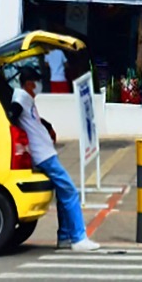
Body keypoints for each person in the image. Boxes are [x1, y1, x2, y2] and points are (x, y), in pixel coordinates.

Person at [13, 68, 99, 251]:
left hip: (45, 154)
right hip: (43, 156)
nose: (39, 86)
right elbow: (14, 113)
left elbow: (32, 119)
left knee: (63, 193)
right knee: (69, 191)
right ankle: (78, 237)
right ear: (29, 84)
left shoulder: (27, 99)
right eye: (37, 82)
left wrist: (47, 125)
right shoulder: (20, 97)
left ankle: (65, 237)